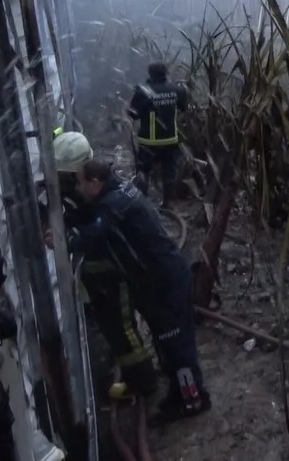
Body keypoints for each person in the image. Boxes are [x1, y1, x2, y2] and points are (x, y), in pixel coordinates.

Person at [70, 158, 211, 423]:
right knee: (165, 344)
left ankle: (194, 400)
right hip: (156, 282)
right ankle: (179, 394)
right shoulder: (118, 191)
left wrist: (68, 237)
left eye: (79, 183)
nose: (77, 189)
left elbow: (96, 232)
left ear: (95, 183)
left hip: (165, 283)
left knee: (177, 347)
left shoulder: (113, 205)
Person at [49, 131, 159, 400]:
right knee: (113, 328)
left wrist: (67, 238)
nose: (68, 185)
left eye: (68, 177)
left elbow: (96, 230)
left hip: (114, 271)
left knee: (123, 328)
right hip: (99, 271)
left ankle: (144, 381)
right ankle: (133, 375)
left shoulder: (100, 195)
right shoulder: (89, 186)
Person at [127, 62, 190, 205]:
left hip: (148, 141)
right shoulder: (177, 90)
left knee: (143, 171)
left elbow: (133, 115)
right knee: (169, 172)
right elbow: (183, 108)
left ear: (150, 74)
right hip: (170, 140)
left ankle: (142, 203)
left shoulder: (143, 91)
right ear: (166, 73)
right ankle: (167, 204)